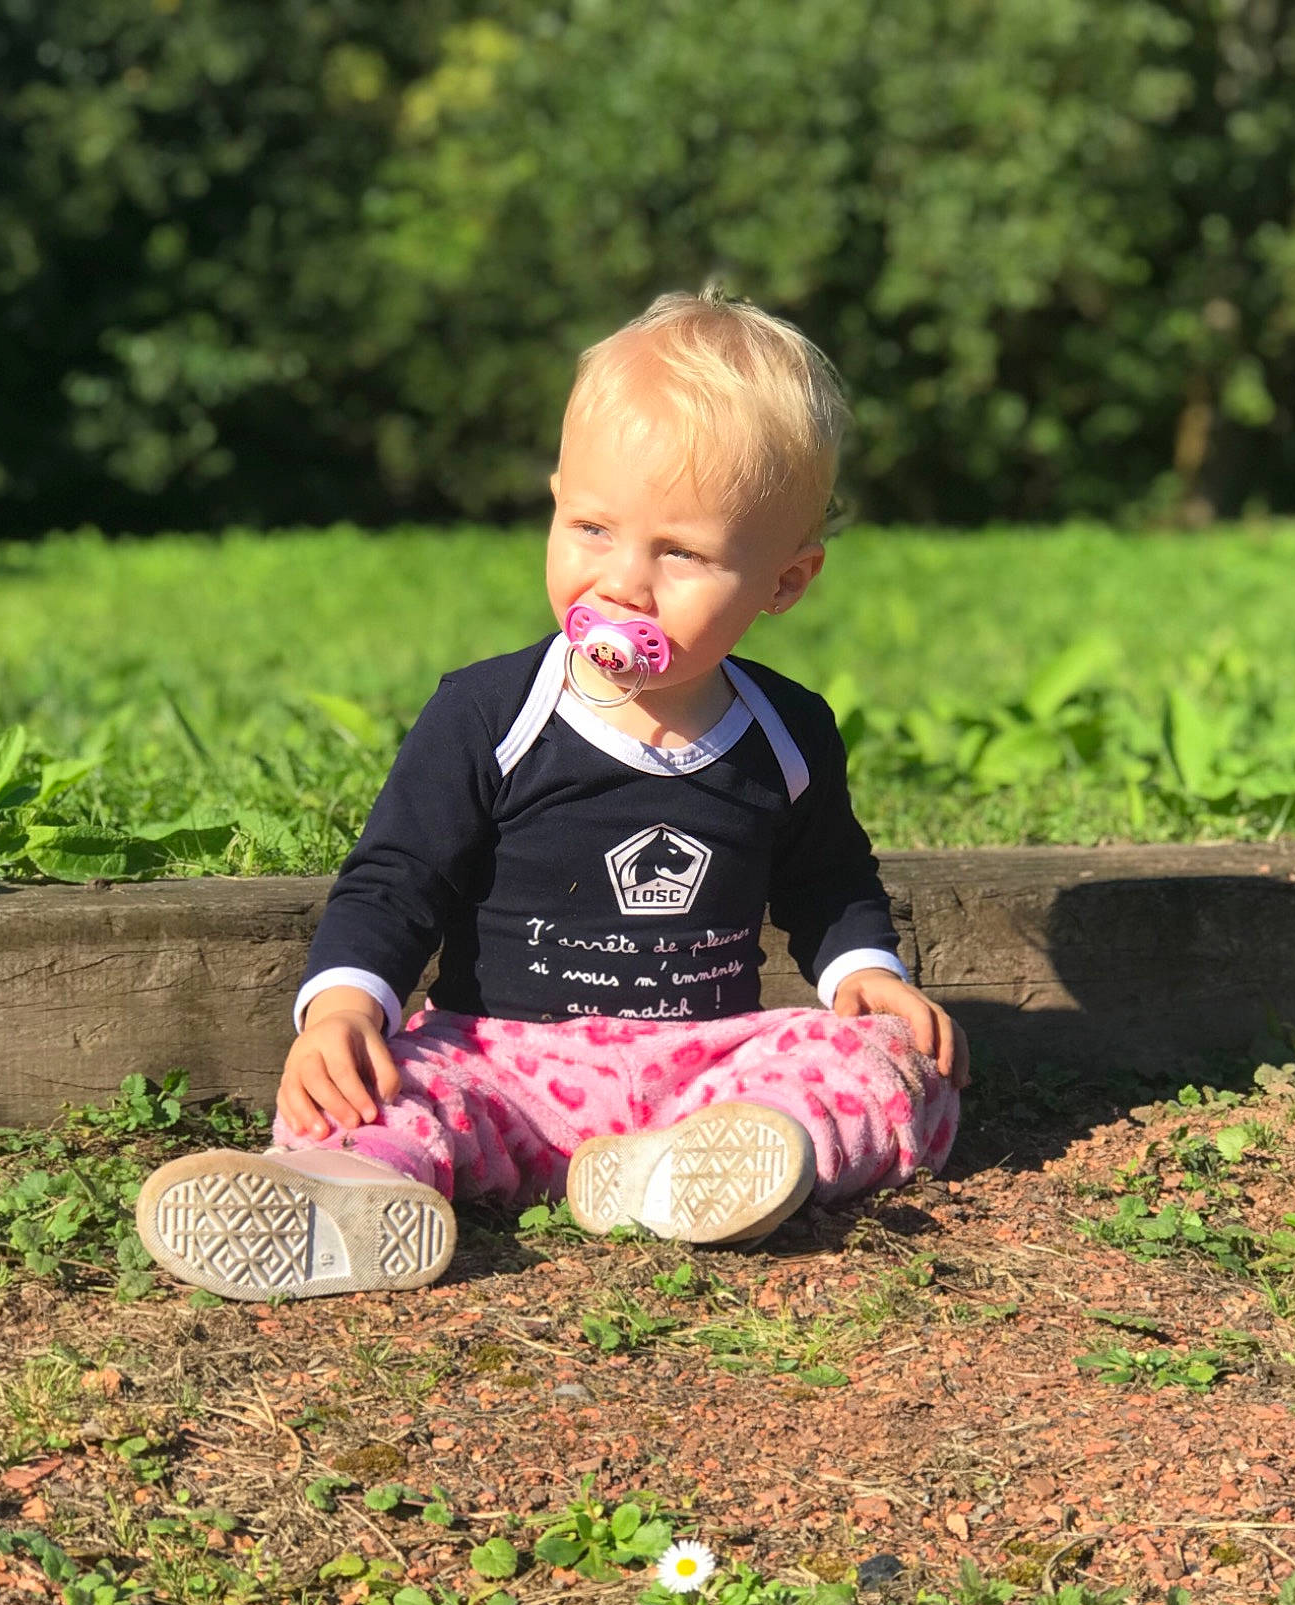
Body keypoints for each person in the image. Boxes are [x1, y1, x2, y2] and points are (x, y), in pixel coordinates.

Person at [136, 288, 968, 1302]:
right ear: (555, 500)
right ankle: (340, 1189)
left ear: (783, 583)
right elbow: (398, 876)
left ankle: (709, 1172)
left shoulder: (784, 732)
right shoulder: (490, 713)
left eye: (681, 553)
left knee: (886, 1061)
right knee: (391, 1082)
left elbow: (827, 879)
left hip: (702, 1079)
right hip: (501, 1064)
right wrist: (347, 1004)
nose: (622, 579)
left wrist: (864, 972)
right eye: (592, 527)